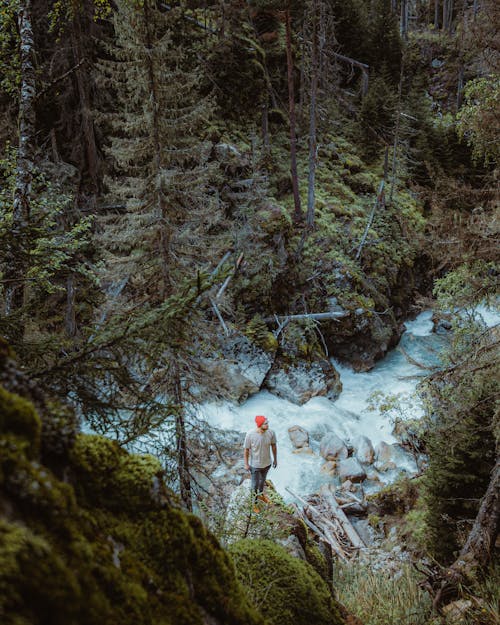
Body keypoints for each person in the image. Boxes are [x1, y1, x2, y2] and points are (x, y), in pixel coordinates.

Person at [244, 415, 277, 509]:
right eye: (265, 423)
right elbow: (246, 450)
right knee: (254, 484)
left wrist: (275, 459)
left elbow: (274, 446)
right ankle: (254, 503)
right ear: (260, 425)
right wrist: (246, 464)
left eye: (267, 423)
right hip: (255, 465)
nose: (268, 425)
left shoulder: (271, 432)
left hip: (267, 463)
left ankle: (261, 495)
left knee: (262, 481)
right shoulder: (250, 434)